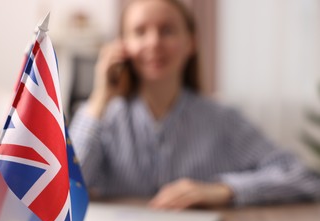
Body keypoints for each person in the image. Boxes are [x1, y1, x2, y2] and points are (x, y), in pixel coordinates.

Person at [69, 0, 320, 209]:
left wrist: (224, 189)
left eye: (167, 30)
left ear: (191, 42)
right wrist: (100, 98)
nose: (154, 42)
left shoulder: (222, 119)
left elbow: (301, 176)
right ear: (122, 46)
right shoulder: (101, 117)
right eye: (140, 32)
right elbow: (64, 192)